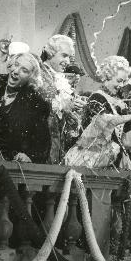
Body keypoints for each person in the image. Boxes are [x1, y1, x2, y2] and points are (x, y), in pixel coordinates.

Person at [65, 55, 131, 170]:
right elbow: (105, 128)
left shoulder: (119, 103)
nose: (121, 85)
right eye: (119, 81)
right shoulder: (97, 98)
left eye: (123, 82)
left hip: (115, 157)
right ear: (107, 76)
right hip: (95, 157)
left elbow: (126, 137)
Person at [0, 53, 51, 163]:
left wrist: (29, 157)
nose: (16, 71)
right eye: (16, 65)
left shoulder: (36, 102)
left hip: (11, 162)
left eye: (24, 70)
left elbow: (42, 142)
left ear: (30, 78)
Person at [40, 34, 87, 164]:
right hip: (42, 142)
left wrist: (74, 109)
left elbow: (64, 112)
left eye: (69, 57)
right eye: (64, 55)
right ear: (51, 53)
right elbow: (43, 106)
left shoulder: (60, 78)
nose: (67, 62)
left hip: (58, 143)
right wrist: (67, 106)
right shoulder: (40, 74)